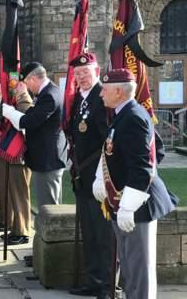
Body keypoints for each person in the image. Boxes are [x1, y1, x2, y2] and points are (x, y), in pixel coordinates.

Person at [93, 68, 177, 299]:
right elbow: (113, 152)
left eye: (105, 89)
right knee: (130, 268)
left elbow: (143, 167)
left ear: (118, 91)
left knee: (139, 272)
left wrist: (128, 206)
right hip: (124, 202)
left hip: (138, 205)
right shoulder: (123, 114)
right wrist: (102, 179)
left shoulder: (133, 117)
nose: (101, 93)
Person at [66, 53, 112, 298]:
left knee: (103, 233)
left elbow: (108, 142)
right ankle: (93, 280)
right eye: (78, 73)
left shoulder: (101, 99)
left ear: (97, 71)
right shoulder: (78, 101)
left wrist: (102, 175)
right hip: (82, 177)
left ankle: (107, 284)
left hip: (99, 178)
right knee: (90, 232)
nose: (81, 77)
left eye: (86, 72)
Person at [2, 62, 67, 207]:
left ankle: (50, 230)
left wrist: (10, 113)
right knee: (47, 203)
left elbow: (30, 121)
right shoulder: (45, 93)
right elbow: (32, 113)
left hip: (48, 159)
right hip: (44, 157)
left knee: (49, 205)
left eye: (26, 83)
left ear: (32, 79)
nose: (27, 87)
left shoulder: (49, 95)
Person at [0, 78, 33, 245]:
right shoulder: (13, 102)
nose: (13, 87)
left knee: (19, 196)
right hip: (9, 155)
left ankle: (22, 230)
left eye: (17, 84)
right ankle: (13, 226)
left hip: (18, 156)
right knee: (9, 192)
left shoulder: (24, 101)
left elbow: (22, 125)